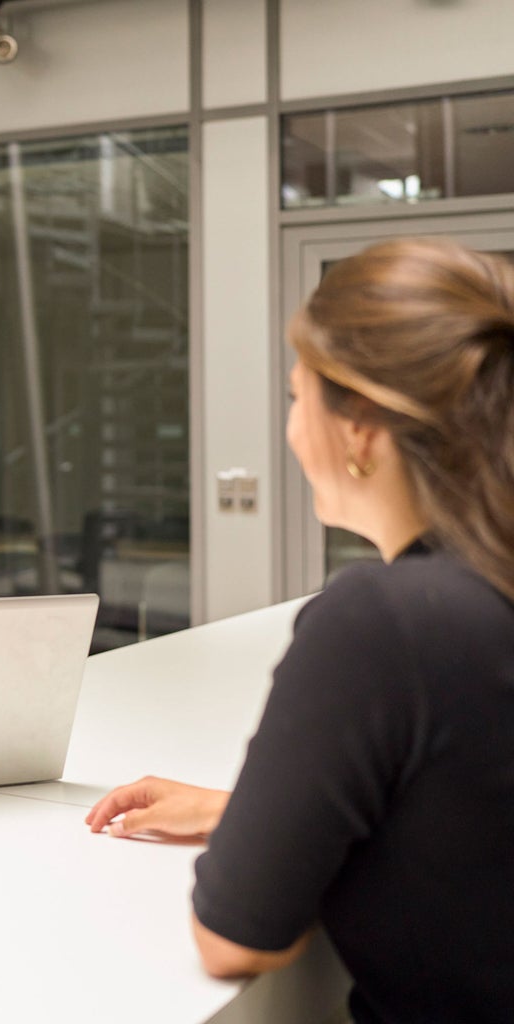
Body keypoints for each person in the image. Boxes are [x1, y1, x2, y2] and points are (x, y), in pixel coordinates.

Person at [85, 238, 514, 1023]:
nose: (289, 431)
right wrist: (253, 807)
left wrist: (260, 831)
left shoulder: (384, 619)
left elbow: (236, 937)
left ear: (359, 428)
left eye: (296, 396)